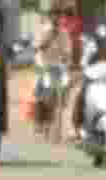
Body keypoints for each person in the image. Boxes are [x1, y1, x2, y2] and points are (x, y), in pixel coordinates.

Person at [32, 3, 73, 132]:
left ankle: (62, 104)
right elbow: (38, 47)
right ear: (50, 16)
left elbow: (67, 51)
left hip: (58, 66)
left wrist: (66, 59)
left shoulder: (64, 33)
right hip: (43, 64)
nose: (57, 18)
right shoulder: (43, 30)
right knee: (40, 92)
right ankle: (39, 121)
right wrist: (49, 37)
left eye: (59, 16)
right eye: (54, 15)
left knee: (68, 82)